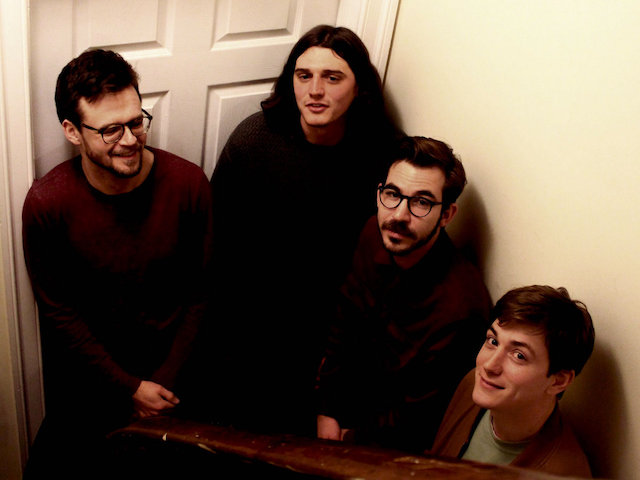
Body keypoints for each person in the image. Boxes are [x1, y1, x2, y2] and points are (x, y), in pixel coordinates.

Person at [199, 25, 401, 435]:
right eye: (303, 75)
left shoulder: (384, 155)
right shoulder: (253, 141)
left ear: (359, 86)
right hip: (251, 323)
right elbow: (218, 250)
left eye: (332, 77)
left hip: (330, 333)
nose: (315, 91)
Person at [21, 49, 213, 478]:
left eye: (136, 121)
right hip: (92, 388)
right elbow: (59, 312)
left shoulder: (188, 184)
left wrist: (161, 384)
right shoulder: (48, 203)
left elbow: (202, 291)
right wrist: (129, 389)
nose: (129, 139)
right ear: (72, 131)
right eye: (109, 130)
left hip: (176, 381)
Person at [316, 136, 492, 453]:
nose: (399, 215)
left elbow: (417, 417)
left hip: (388, 446)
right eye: (393, 194)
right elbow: (344, 322)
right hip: (339, 406)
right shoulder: (375, 231)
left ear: (448, 215)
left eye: (422, 202)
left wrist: (347, 439)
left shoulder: (460, 308)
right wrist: (327, 409)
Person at [430, 285, 595, 478]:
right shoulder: (475, 384)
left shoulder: (562, 473)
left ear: (559, 381)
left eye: (518, 355)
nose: (489, 366)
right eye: (493, 341)